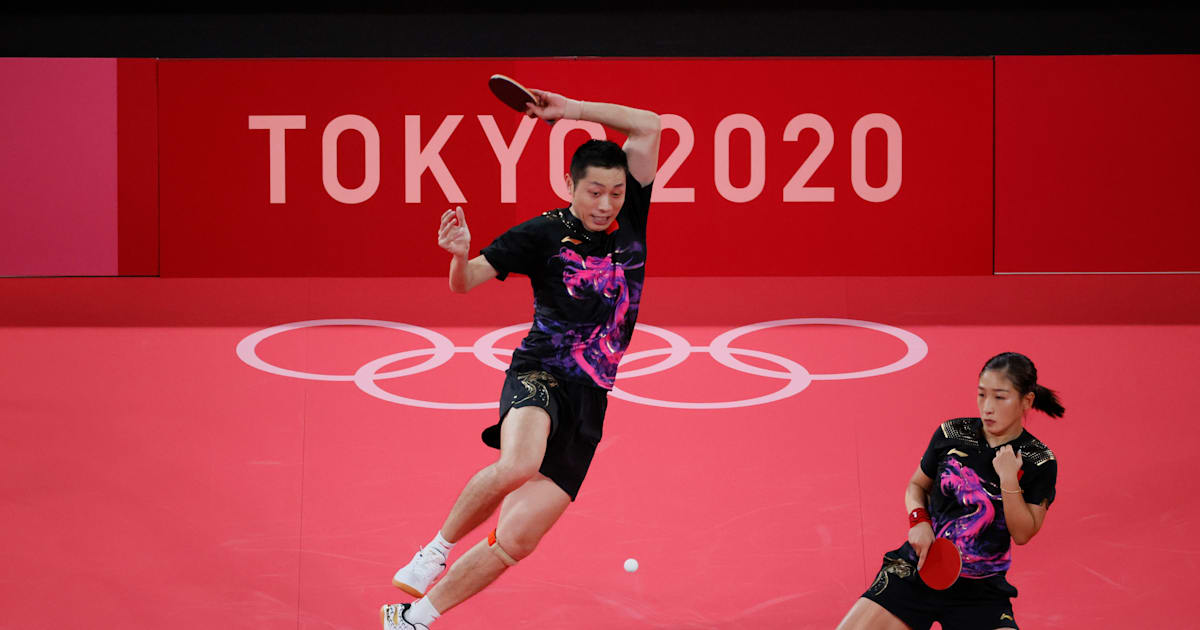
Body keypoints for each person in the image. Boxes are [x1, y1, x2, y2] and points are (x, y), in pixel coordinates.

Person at [380, 85, 661, 630]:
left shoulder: (631, 217)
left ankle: (413, 619)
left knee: (516, 541)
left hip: (590, 399)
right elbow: (467, 284)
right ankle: (433, 551)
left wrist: (570, 111)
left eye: (616, 193)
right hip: (540, 372)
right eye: (594, 192)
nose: (606, 204)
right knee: (519, 464)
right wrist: (459, 258)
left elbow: (648, 123)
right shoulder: (541, 234)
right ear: (570, 186)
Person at [836, 352, 1064, 630]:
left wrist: (1009, 480)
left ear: (1026, 400)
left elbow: (1023, 533)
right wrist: (919, 520)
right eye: (982, 395)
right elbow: (917, 485)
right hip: (920, 567)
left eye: (1000, 397)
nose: (987, 408)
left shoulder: (1038, 459)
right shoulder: (952, 433)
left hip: (981, 591)